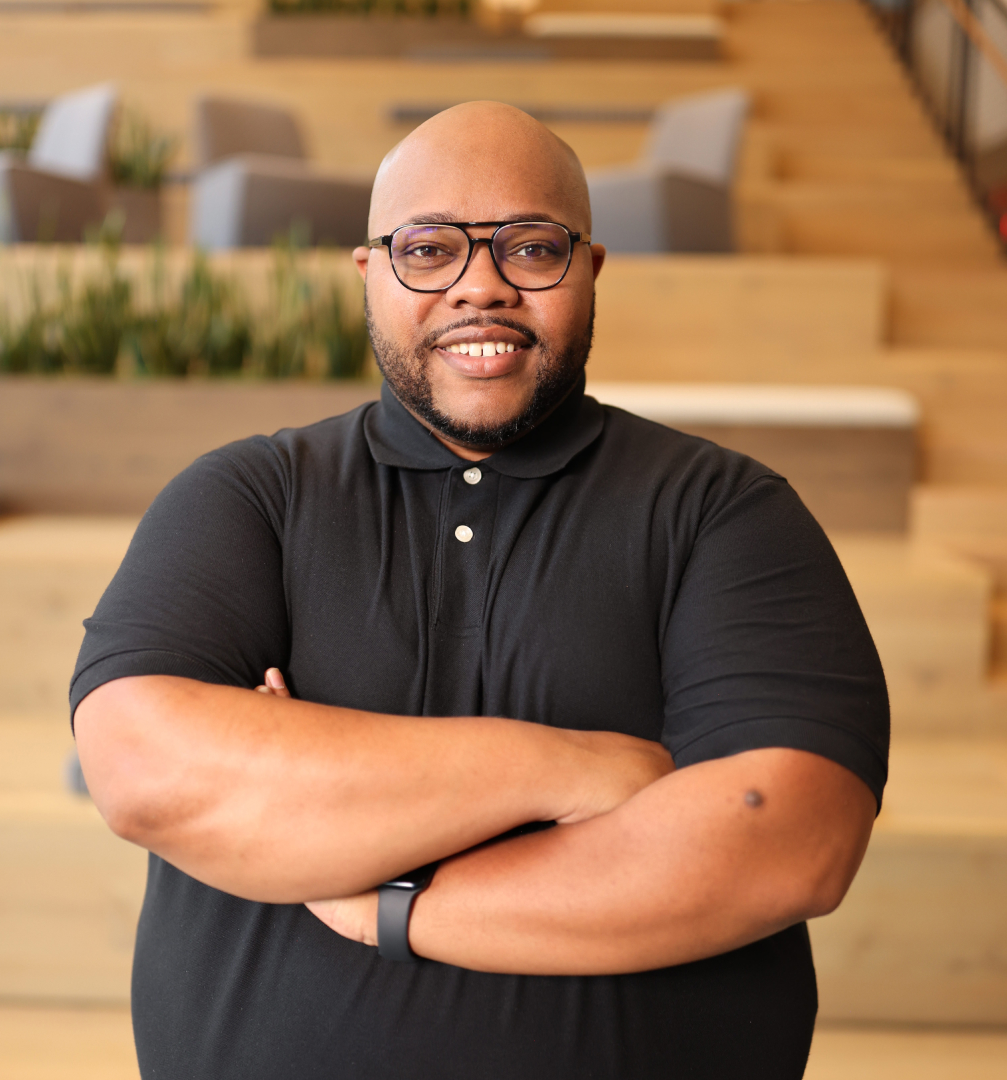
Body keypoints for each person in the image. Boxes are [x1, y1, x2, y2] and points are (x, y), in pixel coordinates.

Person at [72, 101, 889, 1080]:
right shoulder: (249, 497)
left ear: (589, 270)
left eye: (531, 249)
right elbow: (147, 772)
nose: (481, 287)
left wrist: (389, 903)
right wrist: (572, 770)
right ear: (370, 274)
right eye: (429, 249)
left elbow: (789, 842)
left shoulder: (725, 512)